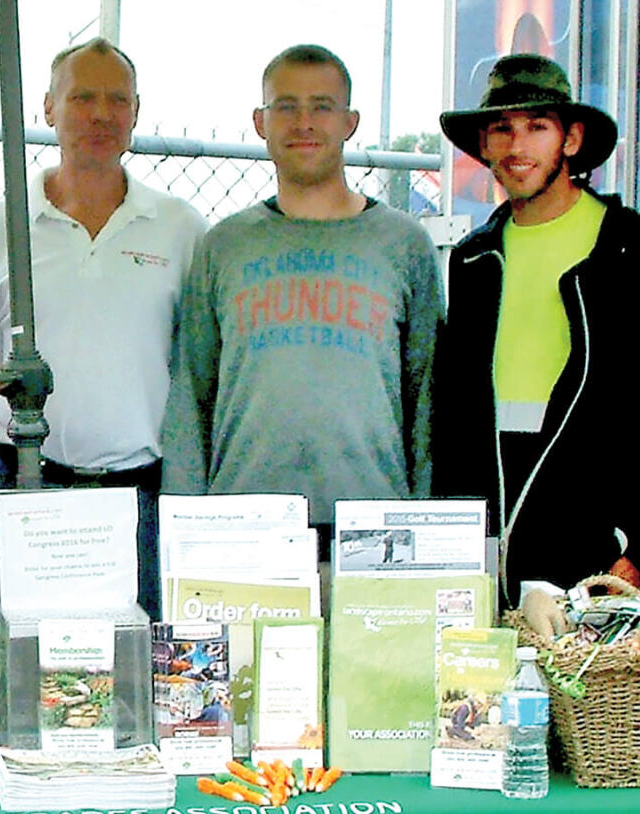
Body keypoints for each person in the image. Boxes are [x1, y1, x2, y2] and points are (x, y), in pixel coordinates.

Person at [0, 37, 206, 698]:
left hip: (140, 498)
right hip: (29, 490)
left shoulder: (179, 228)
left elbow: (196, 368)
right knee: (17, 685)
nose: (99, 114)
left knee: (134, 691)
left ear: (137, 112)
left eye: (116, 99)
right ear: (48, 107)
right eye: (82, 97)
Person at [431, 54, 640, 605]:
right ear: (485, 145)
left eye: (537, 127)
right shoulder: (471, 260)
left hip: (600, 541)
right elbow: (456, 419)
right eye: (502, 129)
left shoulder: (636, 250)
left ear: (571, 139)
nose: (518, 147)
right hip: (492, 533)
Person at [161, 45, 443, 556]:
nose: (304, 122)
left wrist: (424, 531)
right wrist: (184, 529)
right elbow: (190, 395)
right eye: (286, 106)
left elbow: (427, 401)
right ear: (259, 121)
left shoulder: (404, 245)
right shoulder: (225, 244)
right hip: (244, 523)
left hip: (371, 525)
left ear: (351, 122)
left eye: (322, 106)